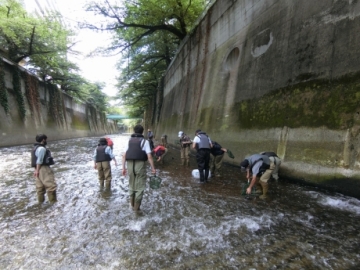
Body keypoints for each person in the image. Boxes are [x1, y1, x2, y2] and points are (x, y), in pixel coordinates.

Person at [122, 124, 156, 211]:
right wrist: (153, 168)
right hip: (140, 165)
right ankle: (136, 210)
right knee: (140, 187)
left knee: (132, 185)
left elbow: (124, 156)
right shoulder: (145, 142)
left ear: (134, 131)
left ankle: (132, 206)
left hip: (129, 165)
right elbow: (149, 156)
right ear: (142, 132)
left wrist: (123, 168)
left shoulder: (128, 141)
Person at [31, 134, 57, 203]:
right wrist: (37, 170)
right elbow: (39, 160)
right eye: (45, 139)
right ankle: (53, 203)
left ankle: (40, 204)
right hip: (43, 168)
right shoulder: (42, 148)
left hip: (37, 168)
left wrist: (36, 170)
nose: (46, 141)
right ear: (43, 139)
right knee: (51, 186)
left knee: (40, 188)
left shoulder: (35, 148)